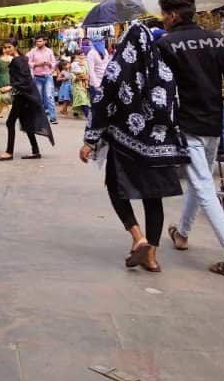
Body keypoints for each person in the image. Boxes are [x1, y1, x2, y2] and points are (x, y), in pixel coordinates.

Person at [155, 0, 224, 281]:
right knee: (201, 179)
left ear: (172, 15)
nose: (162, 20)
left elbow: (159, 87)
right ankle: (182, 233)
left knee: (205, 187)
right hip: (214, 120)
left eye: (163, 15)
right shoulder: (216, 39)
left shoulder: (165, 44)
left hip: (187, 122)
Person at [80, 23, 188, 273]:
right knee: (153, 198)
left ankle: (137, 235)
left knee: (117, 190)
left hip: (124, 144)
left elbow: (103, 103)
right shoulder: (164, 70)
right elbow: (173, 106)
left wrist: (90, 140)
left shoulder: (118, 70)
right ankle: (150, 255)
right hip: (157, 146)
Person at [0, 41, 54, 160]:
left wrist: (10, 87)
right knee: (26, 123)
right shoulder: (20, 59)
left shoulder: (19, 60)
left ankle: (9, 152)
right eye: (5, 47)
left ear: (15, 47)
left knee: (10, 122)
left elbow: (25, 79)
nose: (6, 49)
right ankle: (35, 151)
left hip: (23, 96)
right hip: (24, 95)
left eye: (9, 47)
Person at [27, 35, 58, 124]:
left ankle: (53, 117)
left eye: (40, 41)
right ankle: (39, 117)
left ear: (45, 41)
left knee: (49, 96)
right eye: (37, 41)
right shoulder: (33, 51)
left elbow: (54, 62)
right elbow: (27, 61)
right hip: (37, 77)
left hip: (48, 76)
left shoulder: (49, 51)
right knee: (38, 97)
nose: (38, 43)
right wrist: (36, 64)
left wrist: (50, 67)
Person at [70, 51, 91, 121]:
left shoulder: (86, 64)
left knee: (85, 100)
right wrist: (78, 77)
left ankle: (77, 113)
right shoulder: (74, 64)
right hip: (77, 85)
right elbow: (72, 74)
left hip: (85, 85)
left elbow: (88, 73)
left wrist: (87, 78)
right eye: (80, 55)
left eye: (83, 55)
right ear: (77, 55)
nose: (82, 56)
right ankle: (88, 116)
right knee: (83, 100)